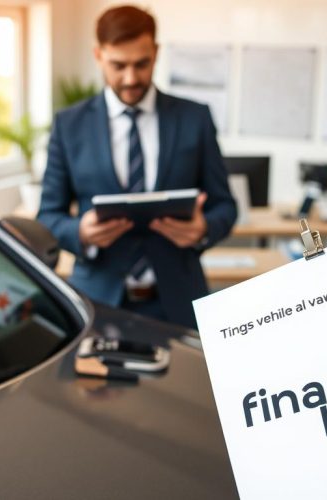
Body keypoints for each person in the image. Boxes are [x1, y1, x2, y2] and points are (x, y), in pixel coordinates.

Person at [37, 5, 236, 329]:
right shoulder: (69, 125)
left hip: (179, 301)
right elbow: (48, 216)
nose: (131, 79)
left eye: (142, 64)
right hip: (97, 302)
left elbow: (225, 206)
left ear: (156, 53)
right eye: (118, 65)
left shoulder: (195, 118)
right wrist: (81, 233)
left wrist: (203, 229)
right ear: (98, 55)